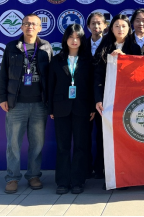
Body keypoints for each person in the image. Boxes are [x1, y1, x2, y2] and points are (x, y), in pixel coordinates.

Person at [0, 13, 53, 194]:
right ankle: (12, 178)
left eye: (34, 24)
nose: (30, 26)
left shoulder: (46, 47)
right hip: (16, 104)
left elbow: (51, 77)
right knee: (13, 144)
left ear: (40, 28)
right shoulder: (12, 47)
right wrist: (2, 98)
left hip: (39, 104)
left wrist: (51, 101)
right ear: (21, 27)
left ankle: (33, 175)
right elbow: (3, 74)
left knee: (37, 143)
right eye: (27, 24)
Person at [94, 15, 142, 190]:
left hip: (128, 102)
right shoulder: (104, 47)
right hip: (107, 101)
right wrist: (98, 99)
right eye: (116, 26)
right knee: (106, 137)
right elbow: (97, 76)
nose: (120, 29)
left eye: (123, 26)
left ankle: (126, 176)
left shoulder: (135, 48)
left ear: (129, 29)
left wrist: (125, 59)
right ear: (111, 28)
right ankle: (109, 176)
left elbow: (139, 75)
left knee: (127, 138)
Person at [48, 24, 95, 195]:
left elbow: (92, 86)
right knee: (63, 146)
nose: (74, 41)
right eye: (71, 37)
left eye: (78, 37)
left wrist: (92, 107)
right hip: (61, 108)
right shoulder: (56, 60)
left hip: (82, 108)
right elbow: (50, 86)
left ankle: (77, 181)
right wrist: (50, 108)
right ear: (65, 39)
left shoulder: (88, 61)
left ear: (82, 40)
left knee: (81, 146)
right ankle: (62, 182)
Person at [84, 12, 107, 180]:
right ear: (88, 26)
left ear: (105, 26)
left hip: (103, 97)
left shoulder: (110, 45)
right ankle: (85, 169)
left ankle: (101, 168)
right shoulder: (81, 44)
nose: (96, 26)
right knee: (84, 135)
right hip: (84, 96)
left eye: (99, 23)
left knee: (102, 135)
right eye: (93, 23)